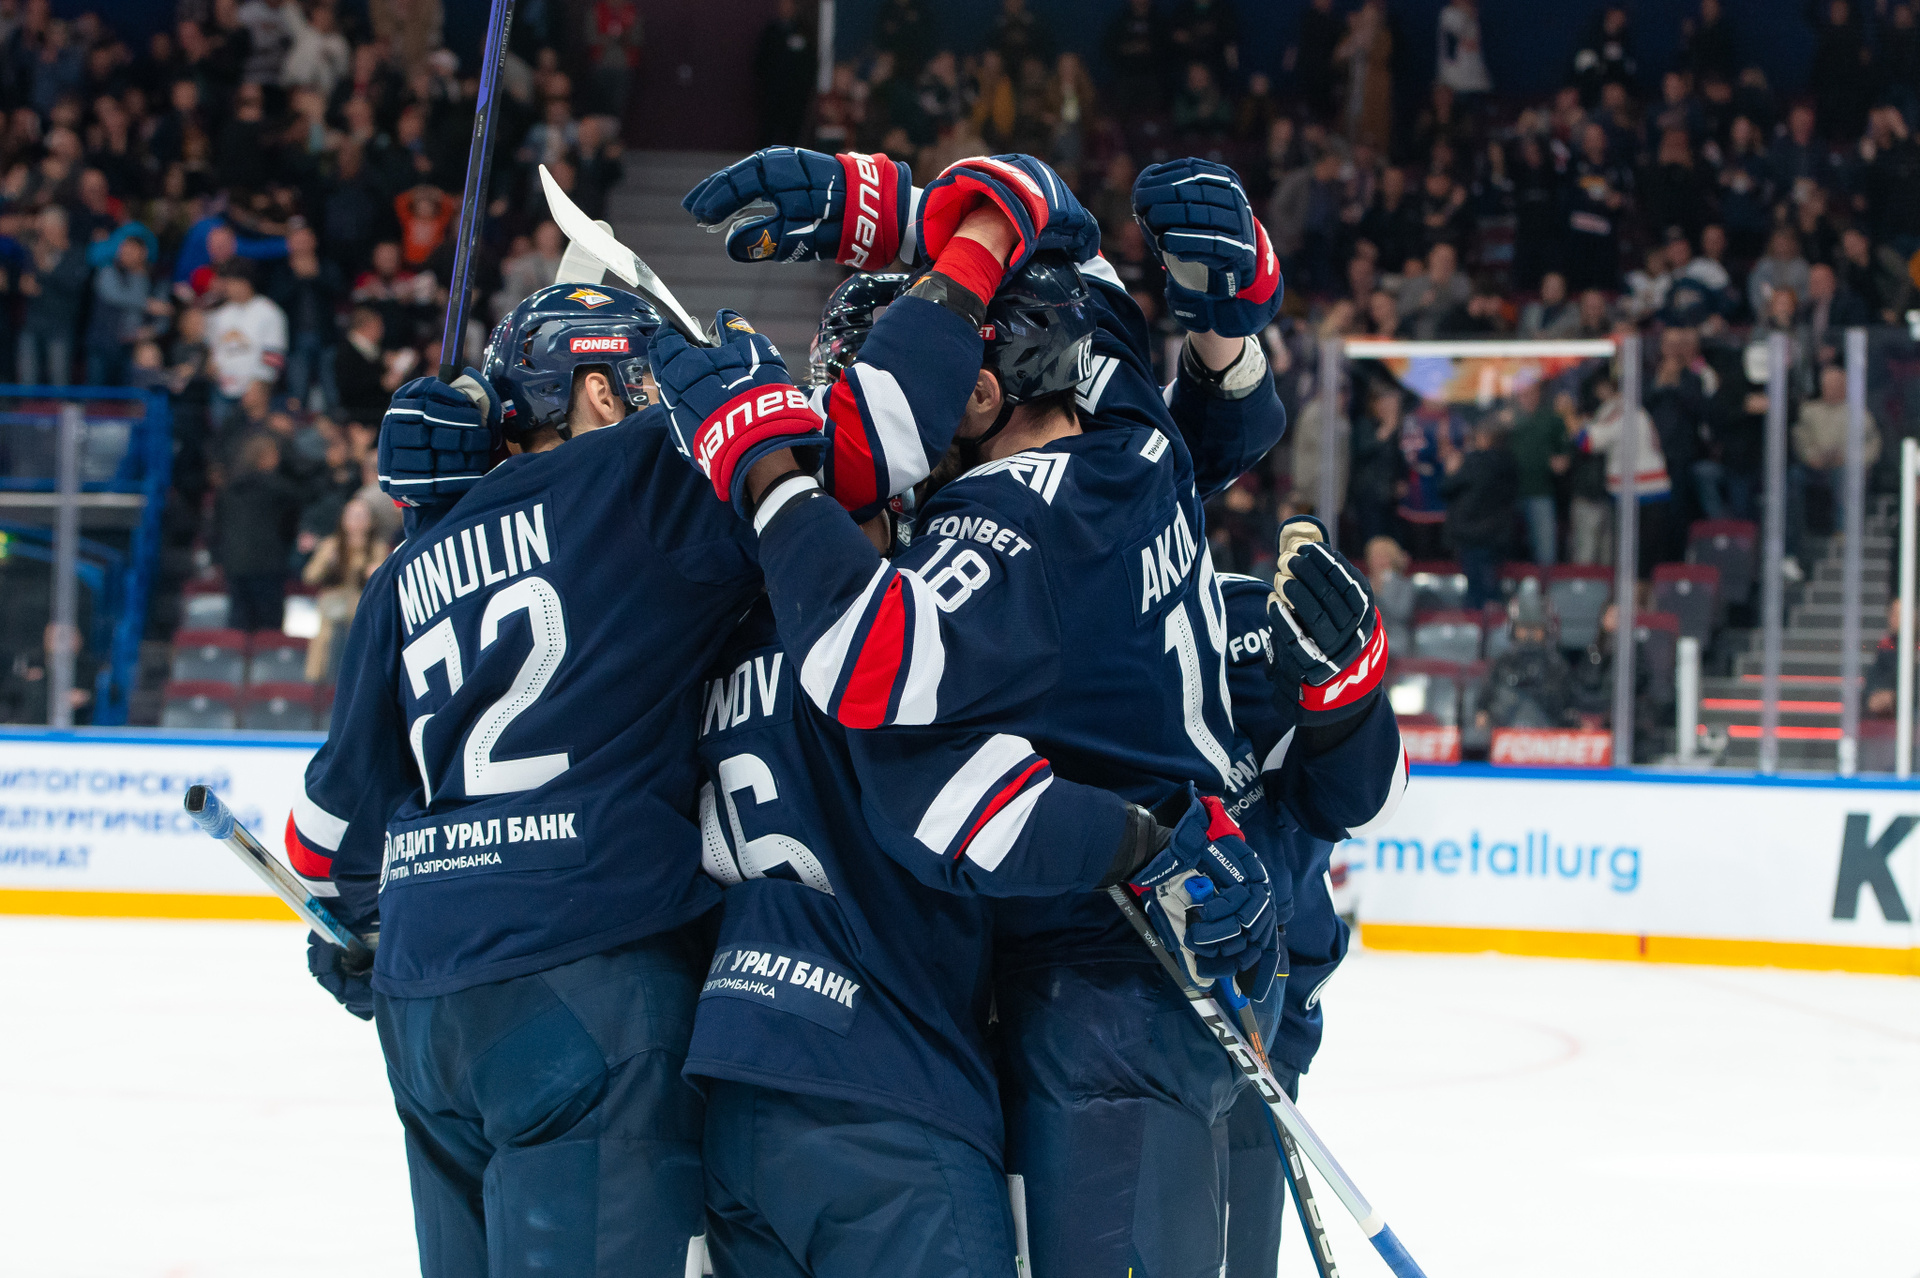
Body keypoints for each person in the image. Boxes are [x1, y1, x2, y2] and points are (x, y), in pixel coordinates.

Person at [291, 184, 1017, 1275]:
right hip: (587, 983)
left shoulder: (408, 565)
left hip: (426, 1012)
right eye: (640, 376)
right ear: (598, 388)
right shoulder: (640, 473)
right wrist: (978, 250)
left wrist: (363, 927)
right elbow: (858, 451)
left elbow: (324, 845)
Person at [669, 150, 1300, 1277]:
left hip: (1094, 984)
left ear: (977, 390)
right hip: (1212, 939)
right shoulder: (1135, 436)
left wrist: (770, 476)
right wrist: (901, 216)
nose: (874, 442)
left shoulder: (999, 525)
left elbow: (870, 667)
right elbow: (1064, 232)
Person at [1789, 364, 1880, 578]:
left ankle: (1844, 531)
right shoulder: (1809, 411)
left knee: (1845, 477)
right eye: (1827, 385)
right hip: (1813, 468)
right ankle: (1794, 540)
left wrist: (1848, 458)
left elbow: (1872, 446)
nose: (1830, 389)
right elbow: (1800, 439)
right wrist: (1811, 457)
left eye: (1835, 385)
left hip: (1844, 467)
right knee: (1792, 478)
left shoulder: (1859, 413)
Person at [214, 434, 299, 633]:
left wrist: (219, 557)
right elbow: (290, 526)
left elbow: (217, 528)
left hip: (235, 564)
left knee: (239, 625)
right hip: (268, 565)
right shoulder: (281, 491)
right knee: (269, 628)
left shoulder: (228, 490)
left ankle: (237, 655)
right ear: (264, 457)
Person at [300, 495, 385, 682]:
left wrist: (375, 573)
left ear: (371, 521)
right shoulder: (331, 545)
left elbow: (385, 584)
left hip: (361, 615)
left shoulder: (377, 548)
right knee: (326, 661)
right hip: (331, 614)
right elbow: (309, 576)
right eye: (352, 515)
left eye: (361, 516)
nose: (356, 521)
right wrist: (327, 564)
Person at [1476, 588, 1579, 729]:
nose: (1529, 634)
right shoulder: (1502, 663)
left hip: (1546, 735)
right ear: (1514, 630)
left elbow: (1567, 710)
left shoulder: (1557, 666)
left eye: (1535, 628)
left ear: (1545, 631)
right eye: (1524, 628)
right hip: (1506, 733)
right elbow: (1483, 706)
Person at [1441, 420, 1517, 607]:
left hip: (1471, 531)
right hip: (1498, 531)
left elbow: (1446, 488)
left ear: (1487, 438)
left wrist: (1450, 471)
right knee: (1491, 582)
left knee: (1476, 589)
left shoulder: (1474, 462)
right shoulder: (1510, 462)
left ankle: (1480, 619)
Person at [207, 260, 287, 429]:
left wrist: (260, 384)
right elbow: (214, 349)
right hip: (223, 390)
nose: (227, 287)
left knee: (252, 437)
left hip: (254, 392)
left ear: (245, 282)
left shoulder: (268, 311)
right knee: (222, 436)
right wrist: (212, 364)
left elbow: (274, 355)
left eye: (231, 282)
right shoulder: (220, 315)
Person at [1507, 372, 1570, 565]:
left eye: (1532, 392)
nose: (1527, 397)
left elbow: (1564, 454)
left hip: (1540, 492)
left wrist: (1560, 461)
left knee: (1545, 551)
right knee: (1510, 550)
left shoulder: (1551, 419)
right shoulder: (1508, 420)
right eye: (1523, 393)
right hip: (1509, 494)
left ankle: (1544, 584)